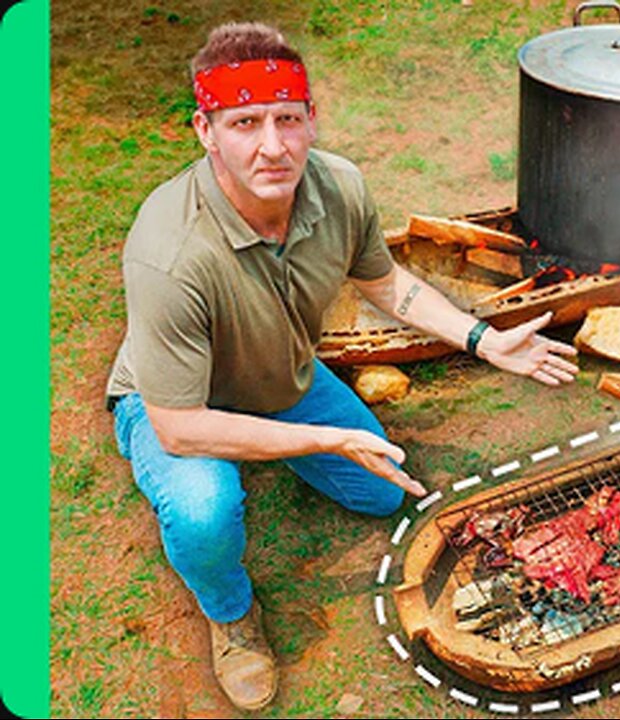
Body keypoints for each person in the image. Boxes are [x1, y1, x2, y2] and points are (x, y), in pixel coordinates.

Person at [104, 22, 579, 711]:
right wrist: (324, 438)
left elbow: (388, 288)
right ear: (205, 131)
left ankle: (274, 445)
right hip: (173, 404)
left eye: (287, 119)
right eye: (245, 124)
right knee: (205, 510)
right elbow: (179, 427)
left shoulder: (340, 187)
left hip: (279, 376)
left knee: (380, 494)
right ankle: (233, 617)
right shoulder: (167, 252)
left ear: (311, 120)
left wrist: (481, 338)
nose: (273, 146)